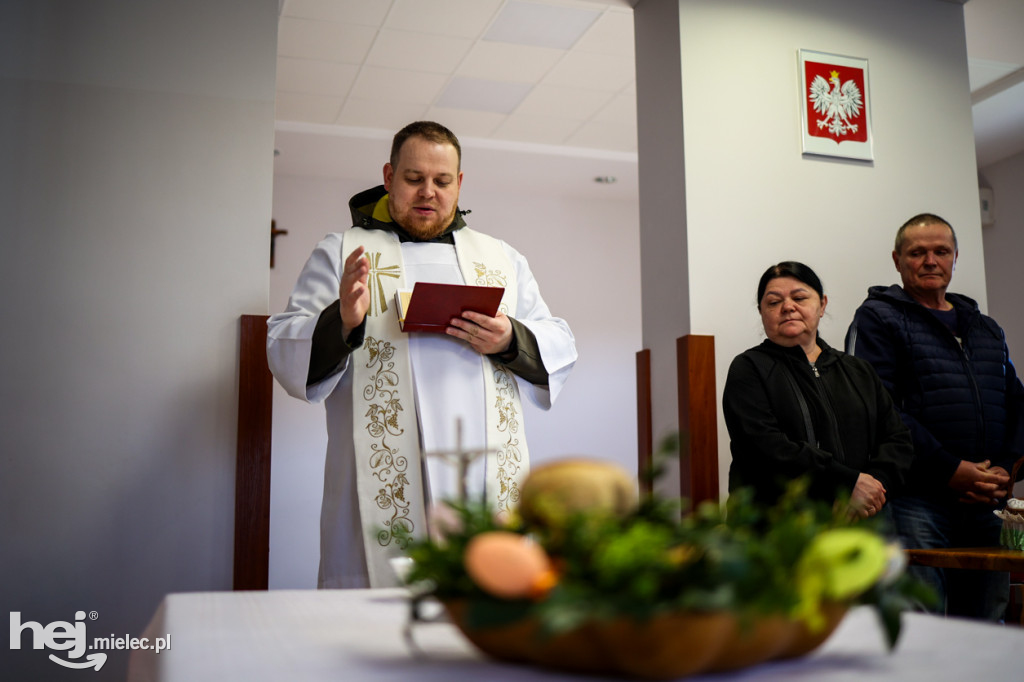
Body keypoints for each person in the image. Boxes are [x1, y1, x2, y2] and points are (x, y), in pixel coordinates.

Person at [267, 121, 577, 589]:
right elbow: (284, 344)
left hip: (482, 477)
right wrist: (343, 320)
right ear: (389, 176)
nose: (428, 192)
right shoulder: (342, 252)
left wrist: (509, 338)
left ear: (460, 183)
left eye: (442, 180)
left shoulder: (501, 258)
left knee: (483, 602)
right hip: (381, 478)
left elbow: (558, 341)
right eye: (414, 178)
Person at [846, 212, 1023, 621]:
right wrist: (949, 469)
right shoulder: (877, 318)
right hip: (916, 500)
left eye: (941, 251)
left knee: (987, 625)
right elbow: (876, 405)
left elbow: (1017, 403)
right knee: (921, 622)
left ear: (955, 257)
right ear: (897, 260)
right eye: (917, 253)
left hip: (987, 503)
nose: (930, 261)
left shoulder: (986, 328)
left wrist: (1005, 469)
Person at [723, 261, 914, 513]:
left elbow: (897, 439)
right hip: (779, 524)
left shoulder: (858, 370)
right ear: (761, 311)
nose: (788, 307)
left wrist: (872, 489)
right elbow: (765, 448)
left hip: (861, 518)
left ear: (822, 305)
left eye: (799, 298)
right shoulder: (749, 368)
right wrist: (846, 484)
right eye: (774, 302)